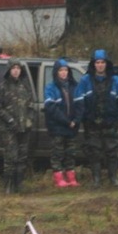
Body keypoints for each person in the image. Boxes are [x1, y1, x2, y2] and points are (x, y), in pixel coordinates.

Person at [74, 49, 118, 188]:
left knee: (112, 151)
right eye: (97, 62)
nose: (100, 65)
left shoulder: (116, 79)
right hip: (92, 123)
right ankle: (96, 180)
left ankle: (113, 179)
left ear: (107, 63)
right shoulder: (85, 80)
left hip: (110, 122)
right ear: (93, 64)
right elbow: (79, 101)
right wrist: (85, 118)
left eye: (103, 62)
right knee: (94, 152)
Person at [0, 59, 35, 194]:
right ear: (9, 70)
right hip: (9, 129)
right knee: (11, 157)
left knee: (22, 157)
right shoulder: (2, 87)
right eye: (13, 68)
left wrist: (29, 121)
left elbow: (31, 105)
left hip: (24, 129)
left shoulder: (25, 86)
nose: (16, 70)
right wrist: (10, 120)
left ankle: (19, 184)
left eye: (18, 68)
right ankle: (8, 185)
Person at [44, 58, 80, 188]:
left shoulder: (74, 87)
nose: (63, 73)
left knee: (70, 152)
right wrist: (66, 121)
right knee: (57, 153)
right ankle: (59, 178)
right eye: (61, 70)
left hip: (72, 127)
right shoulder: (50, 87)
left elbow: (80, 105)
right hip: (58, 127)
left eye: (65, 70)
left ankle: (71, 177)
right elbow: (51, 108)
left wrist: (76, 120)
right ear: (56, 72)